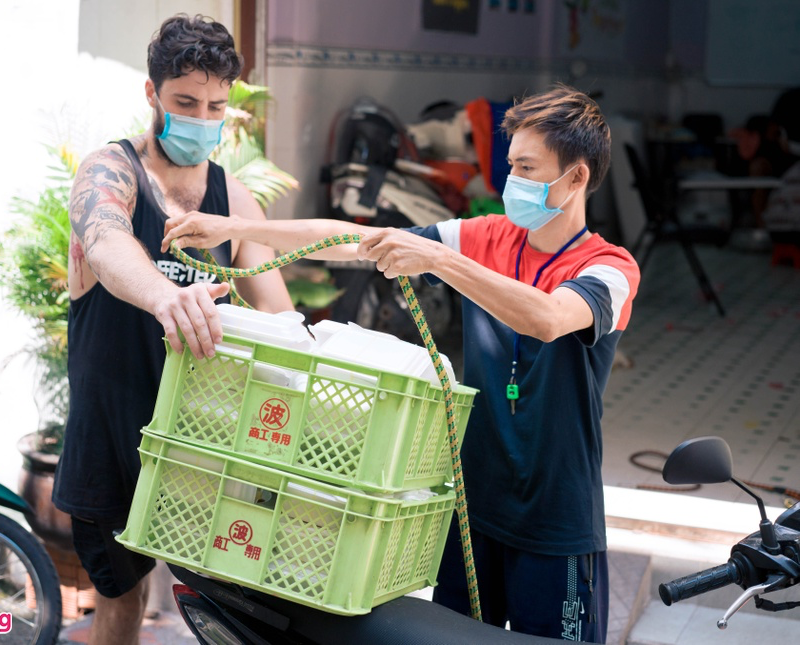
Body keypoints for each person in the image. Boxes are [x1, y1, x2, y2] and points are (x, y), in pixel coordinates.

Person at [162, 84, 639, 642]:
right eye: (510, 165)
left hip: (556, 521)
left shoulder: (610, 267)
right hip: (472, 509)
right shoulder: (487, 236)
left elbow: (549, 317)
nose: (512, 181)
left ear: (576, 177)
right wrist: (238, 229)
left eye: (528, 168)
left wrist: (441, 258)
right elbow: (354, 240)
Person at [52, 14, 293, 644]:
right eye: (185, 101)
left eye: (215, 105)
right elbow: (104, 242)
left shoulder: (234, 199)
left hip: (203, 448)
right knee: (121, 605)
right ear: (153, 94)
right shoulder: (111, 171)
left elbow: (281, 316)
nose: (201, 117)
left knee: (228, 615)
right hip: (111, 439)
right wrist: (166, 295)